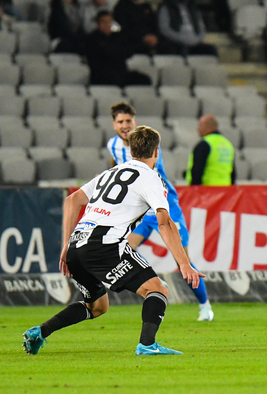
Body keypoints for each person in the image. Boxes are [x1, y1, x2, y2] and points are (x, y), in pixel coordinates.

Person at [23, 126, 204, 356]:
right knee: (157, 289)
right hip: (104, 243)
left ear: (130, 151)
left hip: (77, 244)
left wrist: (67, 244)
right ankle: (147, 345)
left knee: (97, 307)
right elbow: (165, 222)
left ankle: (39, 332)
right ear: (157, 152)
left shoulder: (110, 173)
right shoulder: (152, 178)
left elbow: (71, 200)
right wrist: (184, 262)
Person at [107, 103, 215, 321]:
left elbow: (149, 176)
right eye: (120, 122)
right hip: (140, 211)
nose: (125, 125)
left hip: (164, 206)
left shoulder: (149, 148)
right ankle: (153, 280)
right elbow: (115, 166)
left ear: (135, 122)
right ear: (114, 125)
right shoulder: (113, 145)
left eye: (128, 121)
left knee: (182, 260)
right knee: (124, 249)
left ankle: (205, 306)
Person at [85, 11, 151, 86]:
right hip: (102, 74)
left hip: (120, 72)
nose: (107, 25)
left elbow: (128, 51)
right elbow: (104, 54)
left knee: (143, 80)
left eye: (109, 22)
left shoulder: (118, 37)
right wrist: (116, 52)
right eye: (104, 22)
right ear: (98, 24)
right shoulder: (93, 39)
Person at [186, 114, 235, 186]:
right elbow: (232, 173)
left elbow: (197, 171)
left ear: (207, 126)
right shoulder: (228, 144)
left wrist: (194, 190)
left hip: (208, 191)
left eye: (200, 125)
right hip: (225, 191)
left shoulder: (204, 144)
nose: (198, 129)